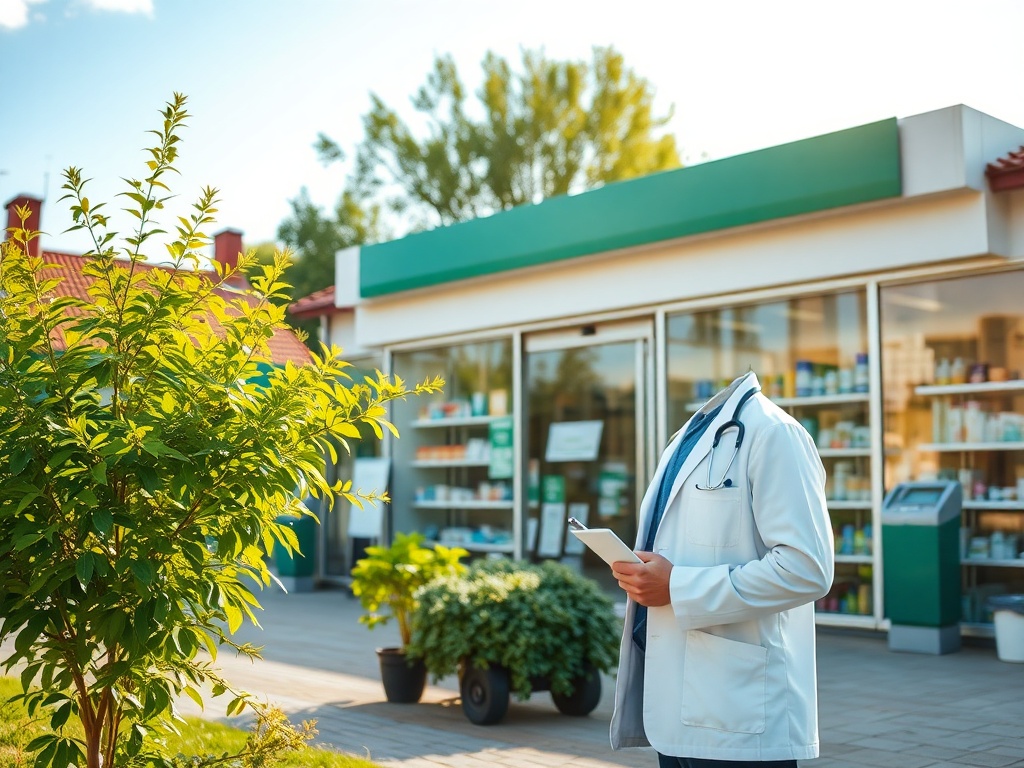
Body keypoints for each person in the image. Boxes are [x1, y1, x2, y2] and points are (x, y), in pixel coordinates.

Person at [610, 371, 834, 767]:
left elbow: (807, 569)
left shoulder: (774, 433)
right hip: (675, 696)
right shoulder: (688, 436)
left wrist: (676, 586)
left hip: (740, 706)